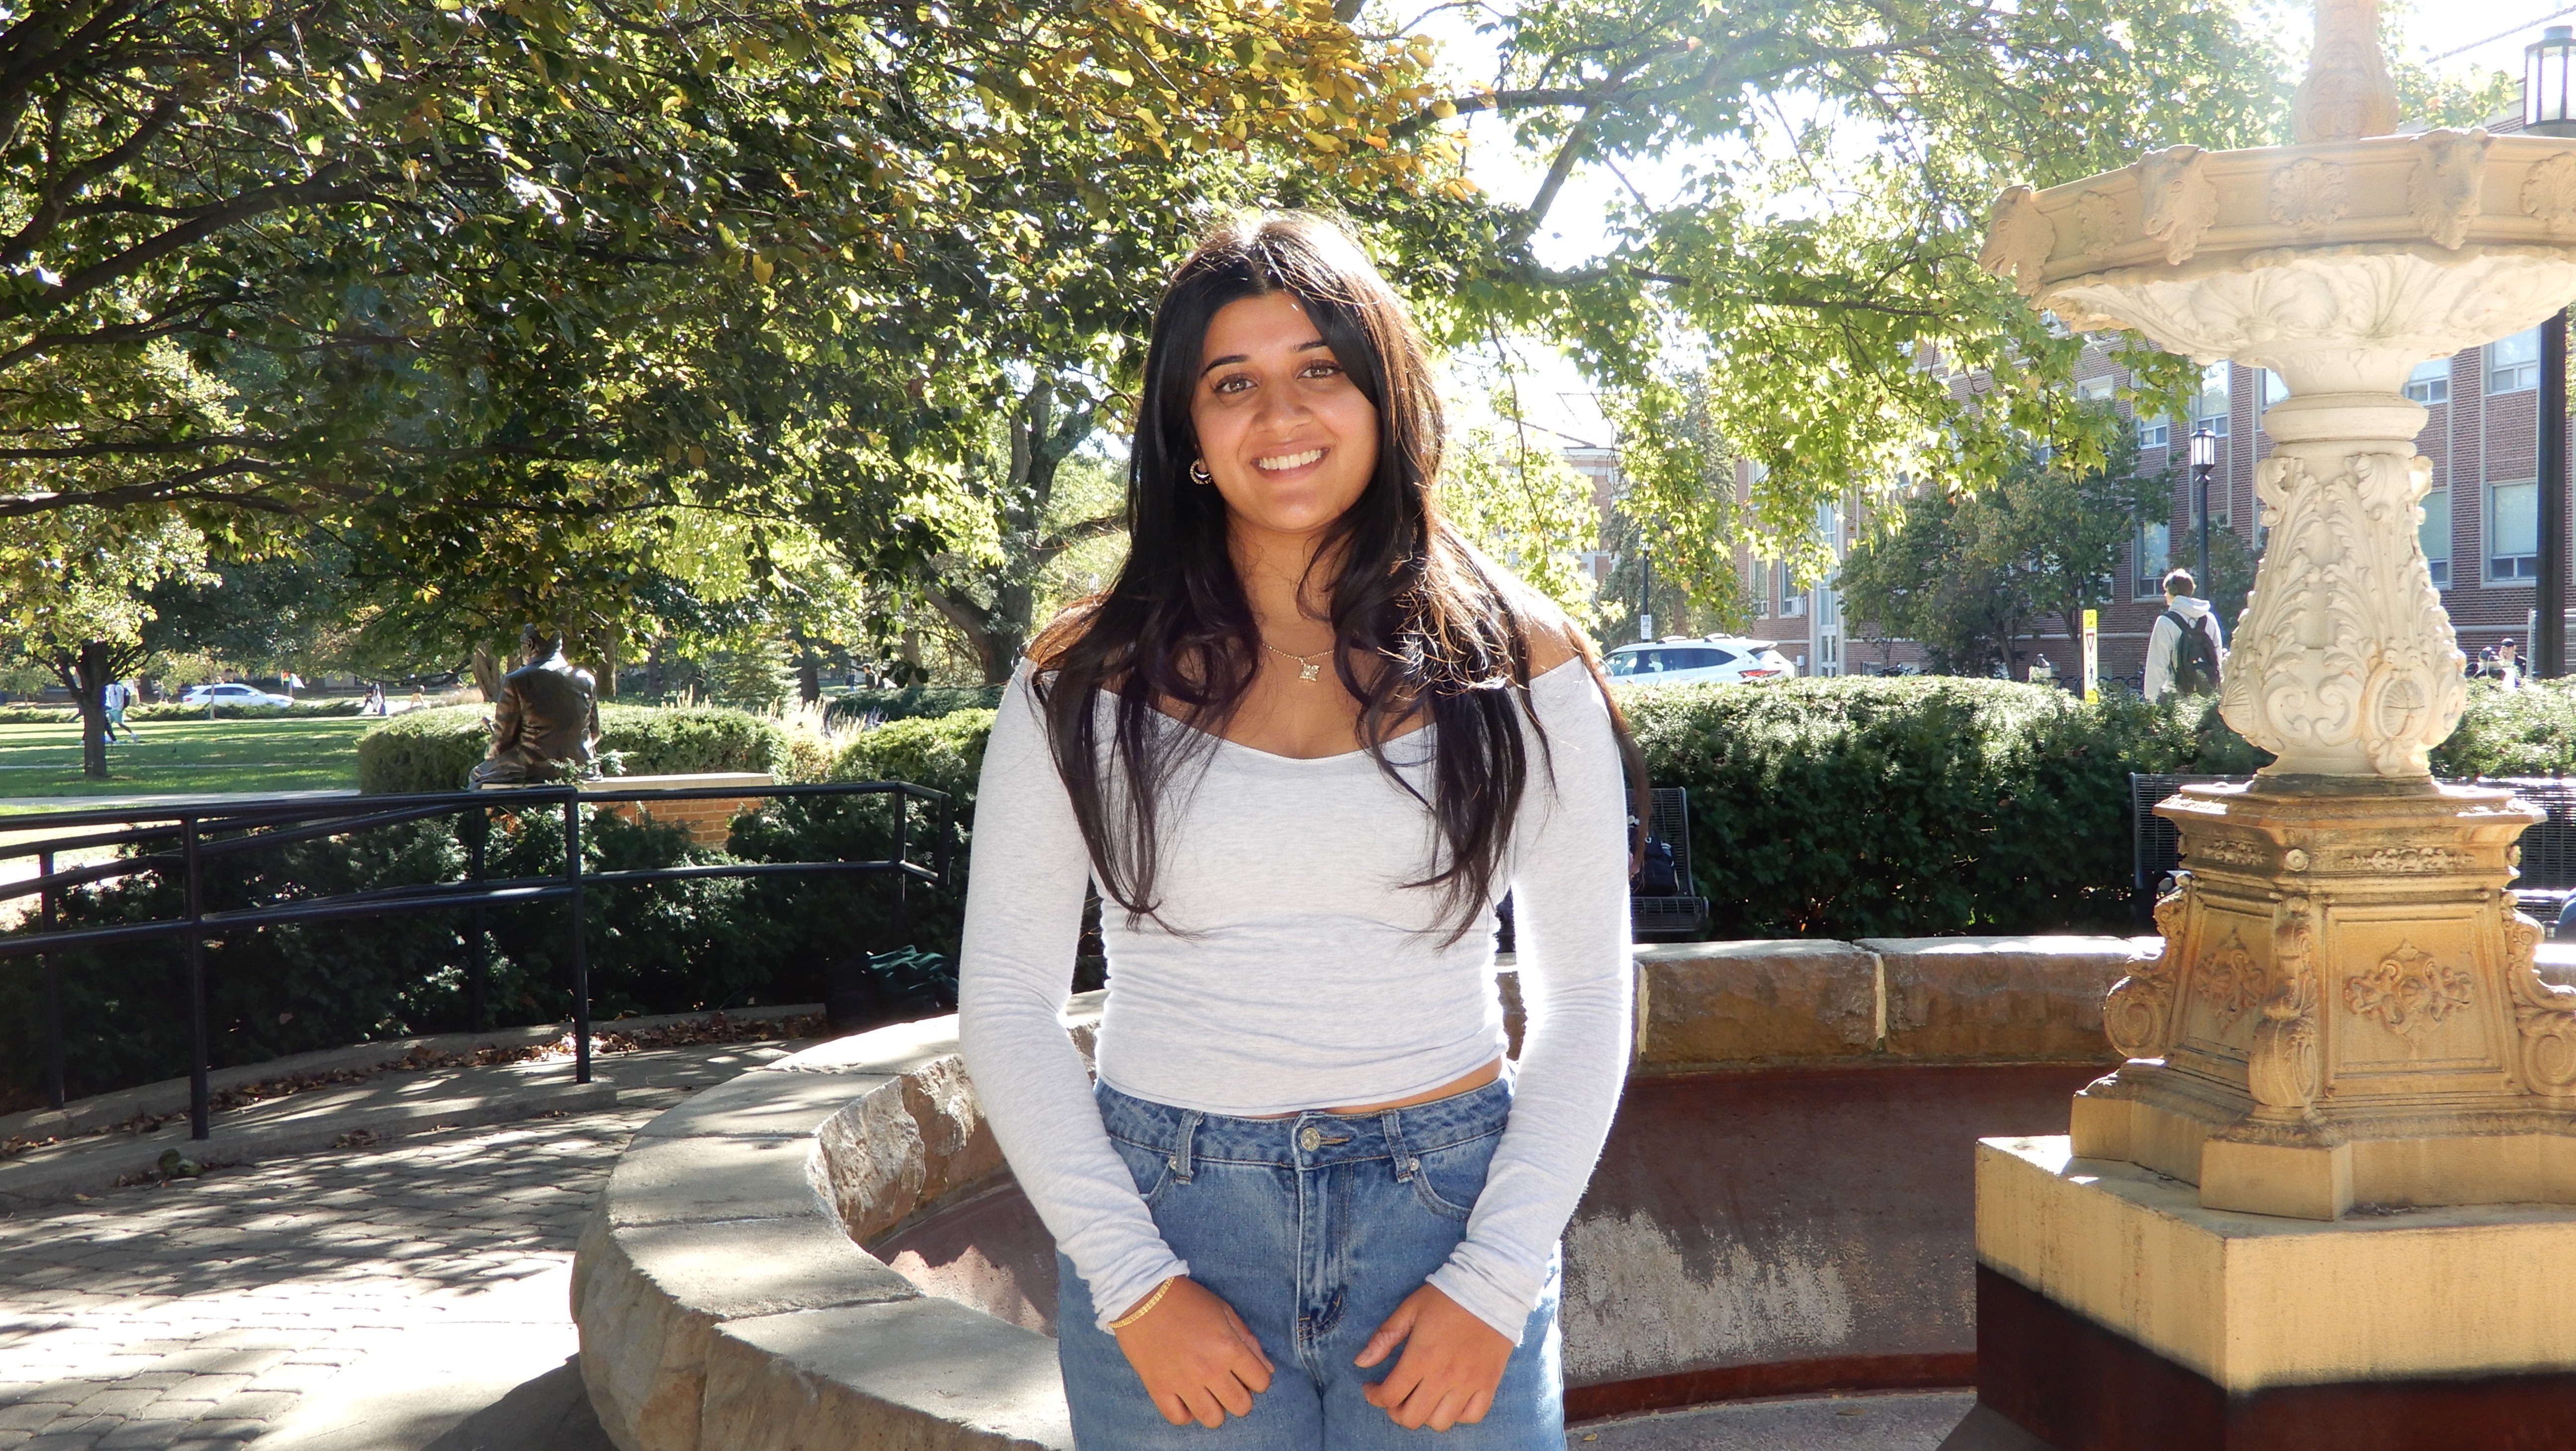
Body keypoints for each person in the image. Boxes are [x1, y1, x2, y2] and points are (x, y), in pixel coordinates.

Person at [956, 212, 1636, 1450]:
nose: (1279, 416)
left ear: (1382, 395)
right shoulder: (1080, 679)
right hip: (1169, 1223)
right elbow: (1005, 1002)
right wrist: (1136, 1285)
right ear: (1188, 433)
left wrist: (1492, 1282)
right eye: (1232, 384)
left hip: (1448, 1220)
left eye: (1318, 368)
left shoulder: (1520, 663)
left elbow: (1587, 993)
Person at [2143, 568, 2228, 703]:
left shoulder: (2165, 622)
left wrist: (2151, 699)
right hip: (2206, 695)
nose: (2165, 595)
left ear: (2173, 591)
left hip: (2175, 696)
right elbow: (2217, 656)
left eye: (2167, 591)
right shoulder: (2209, 619)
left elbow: (2157, 664)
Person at [101, 678, 140, 743]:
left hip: (117, 709)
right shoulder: (112, 687)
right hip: (113, 709)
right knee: (108, 724)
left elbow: (121, 699)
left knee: (120, 724)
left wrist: (120, 709)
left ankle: (134, 735)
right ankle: (109, 738)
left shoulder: (118, 687)